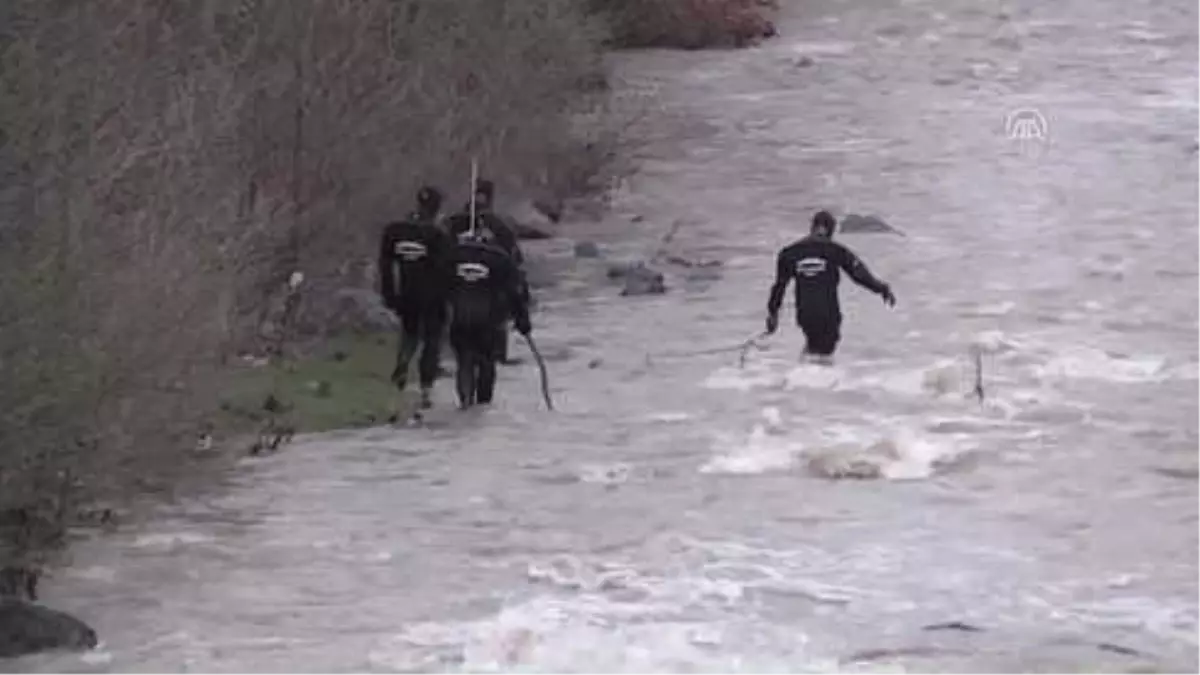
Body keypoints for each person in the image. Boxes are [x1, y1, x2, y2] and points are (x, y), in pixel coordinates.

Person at [765, 210, 896, 363]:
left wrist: (772, 314)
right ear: (831, 230)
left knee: (814, 345)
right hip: (828, 313)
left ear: (812, 227)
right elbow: (859, 275)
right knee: (824, 350)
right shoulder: (836, 250)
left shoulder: (789, 253)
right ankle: (812, 380)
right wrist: (882, 288)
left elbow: (779, 287)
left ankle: (802, 376)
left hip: (805, 314)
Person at [378, 186, 454, 409]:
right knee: (432, 342)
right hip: (433, 297)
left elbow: (385, 265)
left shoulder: (395, 231)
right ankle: (426, 389)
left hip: (406, 294)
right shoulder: (438, 235)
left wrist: (390, 294)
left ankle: (402, 365)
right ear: (438, 207)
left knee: (409, 334)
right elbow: (446, 269)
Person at [445, 178, 530, 365]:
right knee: (496, 317)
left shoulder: (454, 221)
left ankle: (472, 358)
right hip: (487, 280)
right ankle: (495, 357)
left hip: (463, 279)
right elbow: (514, 257)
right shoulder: (498, 224)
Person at [445, 230, 533, 409]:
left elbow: (437, 288)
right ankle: (482, 408)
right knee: (487, 362)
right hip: (489, 321)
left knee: (464, 361)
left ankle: (466, 405)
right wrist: (522, 320)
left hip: (460, 318)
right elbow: (513, 293)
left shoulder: (449, 257)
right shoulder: (500, 259)